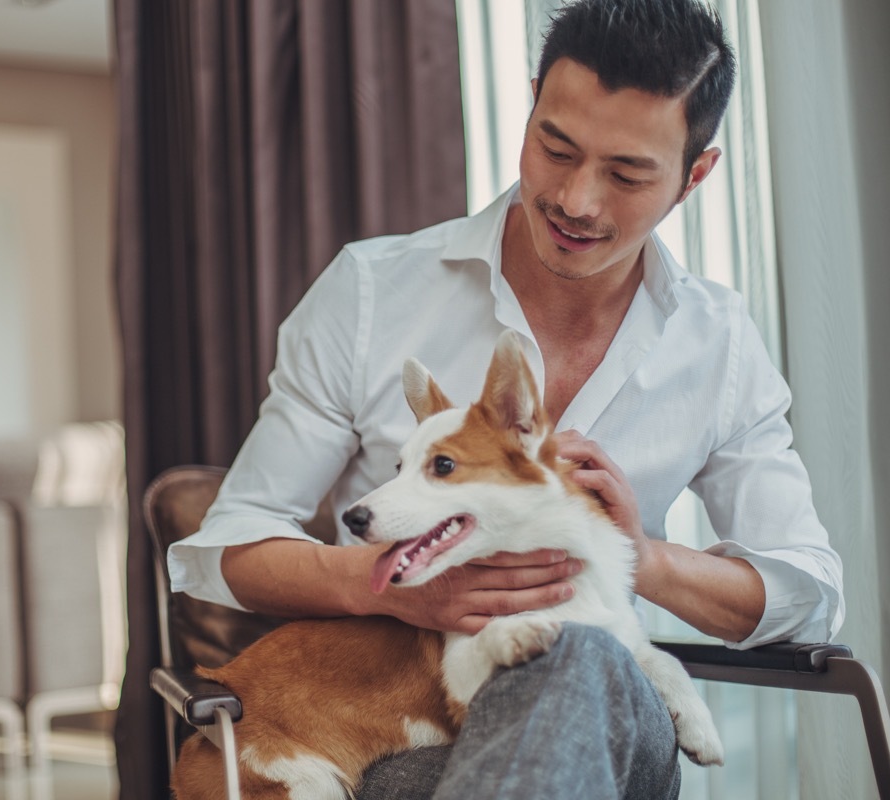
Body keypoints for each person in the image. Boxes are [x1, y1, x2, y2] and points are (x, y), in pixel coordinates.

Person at [168, 0, 844, 796]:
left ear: (695, 176)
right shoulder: (369, 293)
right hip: (401, 743)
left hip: (608, 724)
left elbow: (808, 595)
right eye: (555, 148)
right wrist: (390, 588)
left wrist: (639, 558)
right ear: (529, 108)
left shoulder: (720, 344)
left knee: (577, 648)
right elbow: (229, 548)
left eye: (627, 174)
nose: (576, 201)